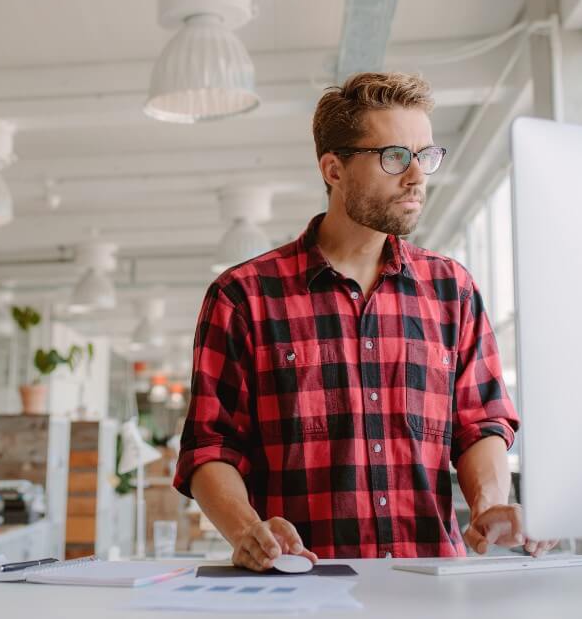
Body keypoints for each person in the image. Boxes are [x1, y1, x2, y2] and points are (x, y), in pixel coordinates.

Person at [174, 72, 557, 571]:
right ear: (333, 168)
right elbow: (211, 445)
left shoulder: (452, 290)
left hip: (430, 588)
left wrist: (488, 505)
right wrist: (249, 531)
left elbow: (480, 422)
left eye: (425, 156)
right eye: (395, 157)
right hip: (301, 588)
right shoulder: (244, 296)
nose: (417, 176)